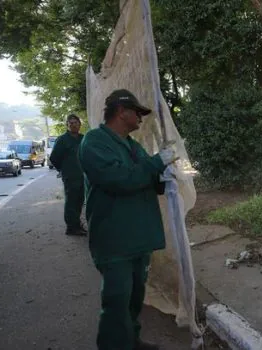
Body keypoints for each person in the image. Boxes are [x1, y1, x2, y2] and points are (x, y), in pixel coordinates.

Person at [78, 89, 177, 350]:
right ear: (122, 112)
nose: (141, 119)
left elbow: (146, 177)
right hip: (114, 239)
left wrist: (165, 177)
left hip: (137, 238)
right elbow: (120, 179)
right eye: (137, 113)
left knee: (134, 298)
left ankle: (130, 341)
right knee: (117, 302)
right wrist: (156, 164)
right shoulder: (94, 141)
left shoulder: (133, 146)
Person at [50, 114, 87, 236]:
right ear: (67, 125)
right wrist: (63, 170)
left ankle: (77, 224)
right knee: (71, 201)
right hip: (70, 176)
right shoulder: (62, 140)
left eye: (75, 122)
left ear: (80, 124)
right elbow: (54, 157)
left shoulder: (83, 138)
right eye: (70, 123)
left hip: (83, 176)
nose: (73, 124)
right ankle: (71, 227)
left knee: (79, 200)